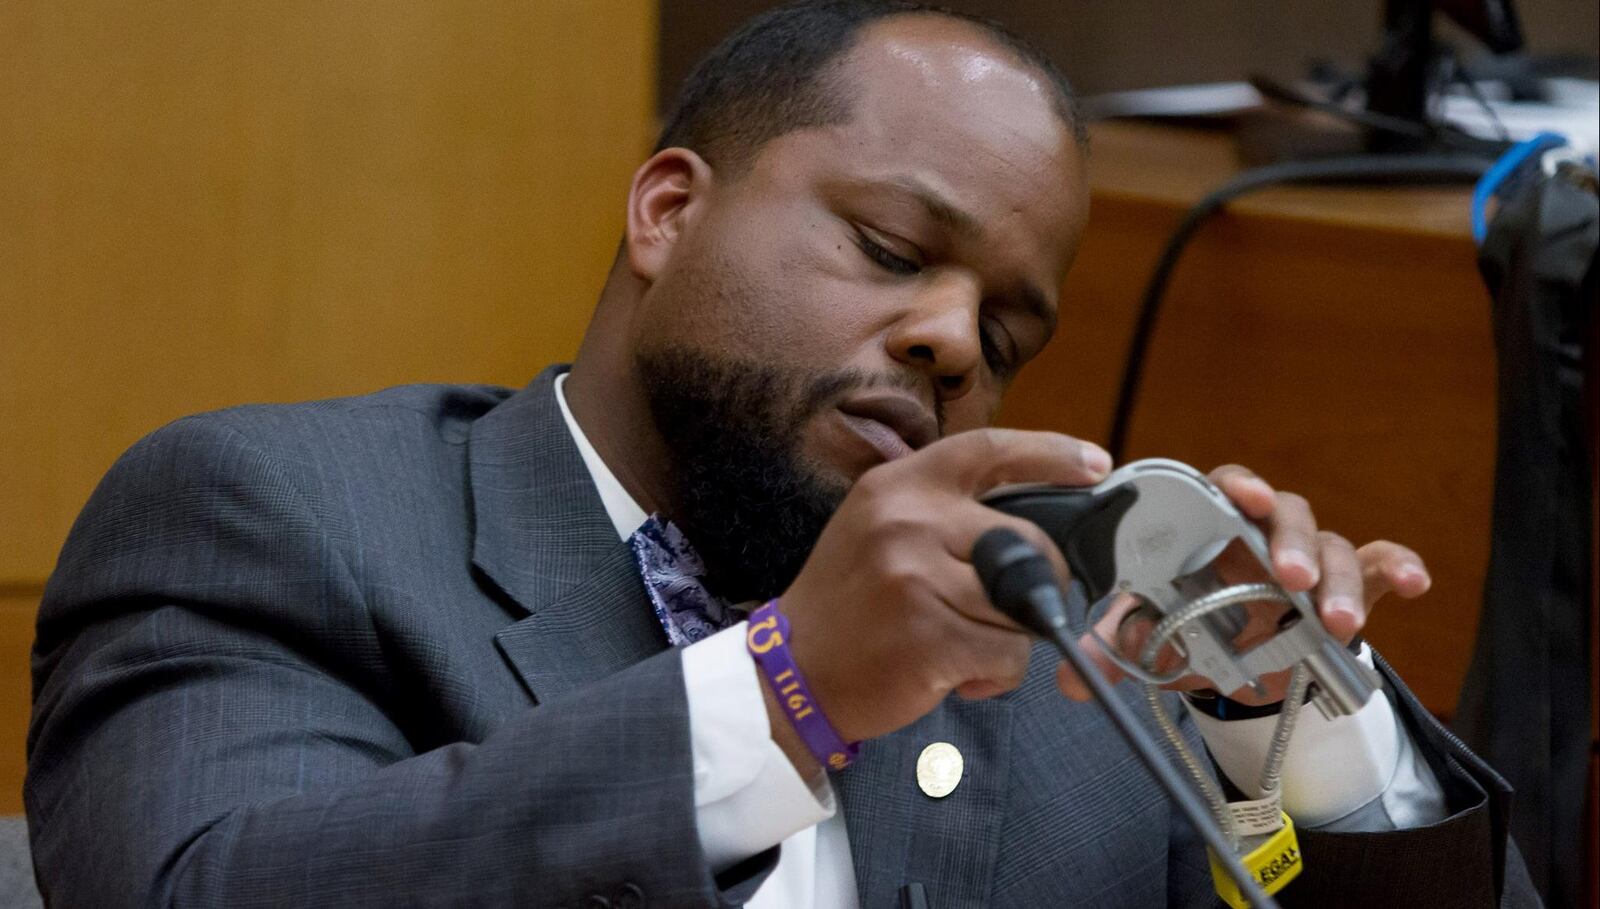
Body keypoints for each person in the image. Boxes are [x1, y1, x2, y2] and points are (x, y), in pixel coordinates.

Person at [26, 2, 1538, 906]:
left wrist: (1304, 744)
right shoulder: (284, 519)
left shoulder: (1065, 655)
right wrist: (783, 692)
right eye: (890, 248)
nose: (952, 340)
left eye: (1011, 332)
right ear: (668, 211)